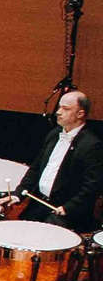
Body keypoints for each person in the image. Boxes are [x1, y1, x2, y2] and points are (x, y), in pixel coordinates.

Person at [6, 88, 101, 231]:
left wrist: (68, 208)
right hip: (39, 205)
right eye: (59, 107)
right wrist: (18, 194)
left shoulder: (92, 145)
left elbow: (92, 187)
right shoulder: (54, 134)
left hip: (65, 212)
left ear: (80, 114)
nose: (58, 112)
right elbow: (36, 168)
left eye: (65, 108)